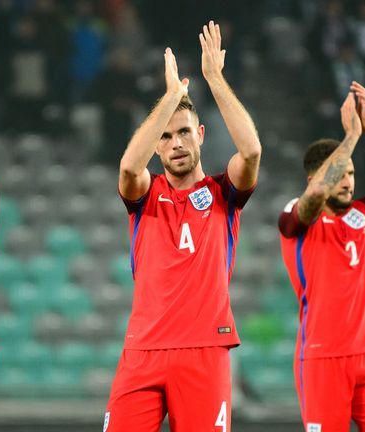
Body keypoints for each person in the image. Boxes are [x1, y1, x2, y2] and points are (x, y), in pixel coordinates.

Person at [104, 21, 261, 432]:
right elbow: (127, 166)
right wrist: (173, 96)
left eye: (185, 133)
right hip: (143, 350)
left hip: (205, 350)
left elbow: (252, 150)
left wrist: (214, 79)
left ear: (201, 135)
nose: (176, 143)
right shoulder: (143, 194)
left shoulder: (224, 194)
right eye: (168, 136)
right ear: (157, 143)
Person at [278, 81, 365, 432]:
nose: (348, 181)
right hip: (323, 358)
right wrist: (349, 137)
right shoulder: (297, 216)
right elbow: (319, 191)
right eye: (342, 172)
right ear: (313, 176)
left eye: (352, 173)